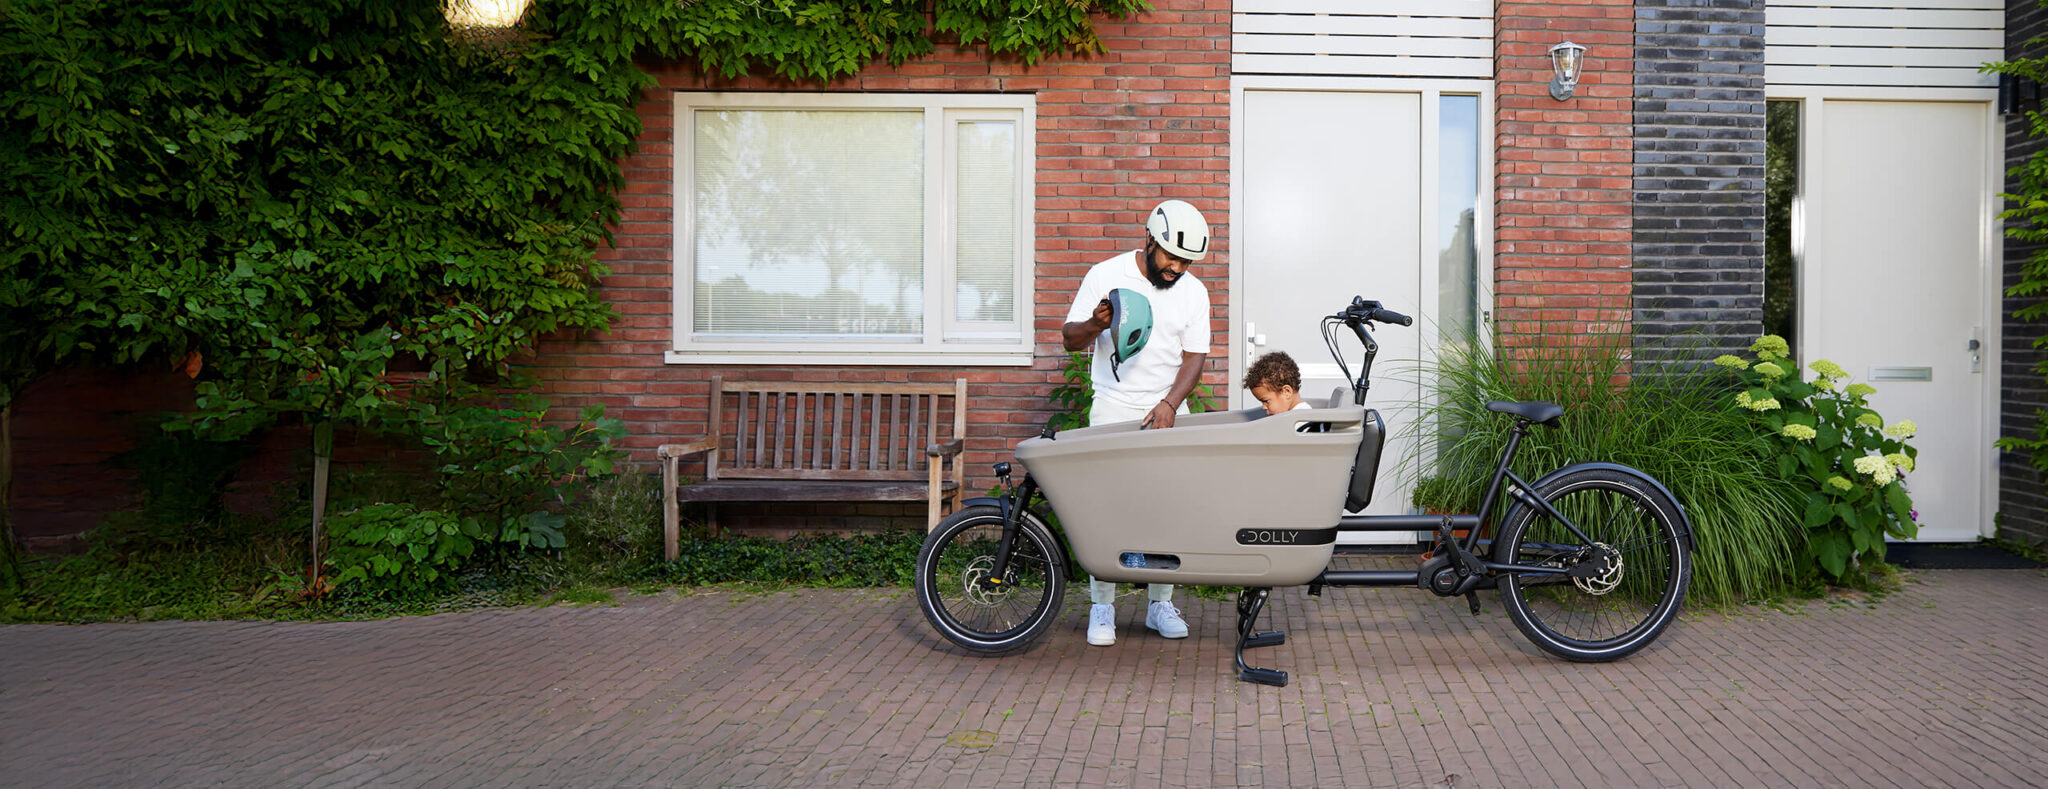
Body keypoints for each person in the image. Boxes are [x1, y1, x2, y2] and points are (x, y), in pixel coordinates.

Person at [1061, 198, 1213, 647]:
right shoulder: (1106, 275)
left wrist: (1170, 403)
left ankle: (1159, 604)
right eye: (1170, 256)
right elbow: (1070, 340)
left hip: (1167, 409)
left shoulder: (1193, 292)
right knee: (1105, 507)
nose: (1177, 267)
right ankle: (1102, 608)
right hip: (1112, 406)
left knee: (1167, 506)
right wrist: (1094, 324)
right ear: (1149, 240)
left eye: (1186, 261)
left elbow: (1195, 356)